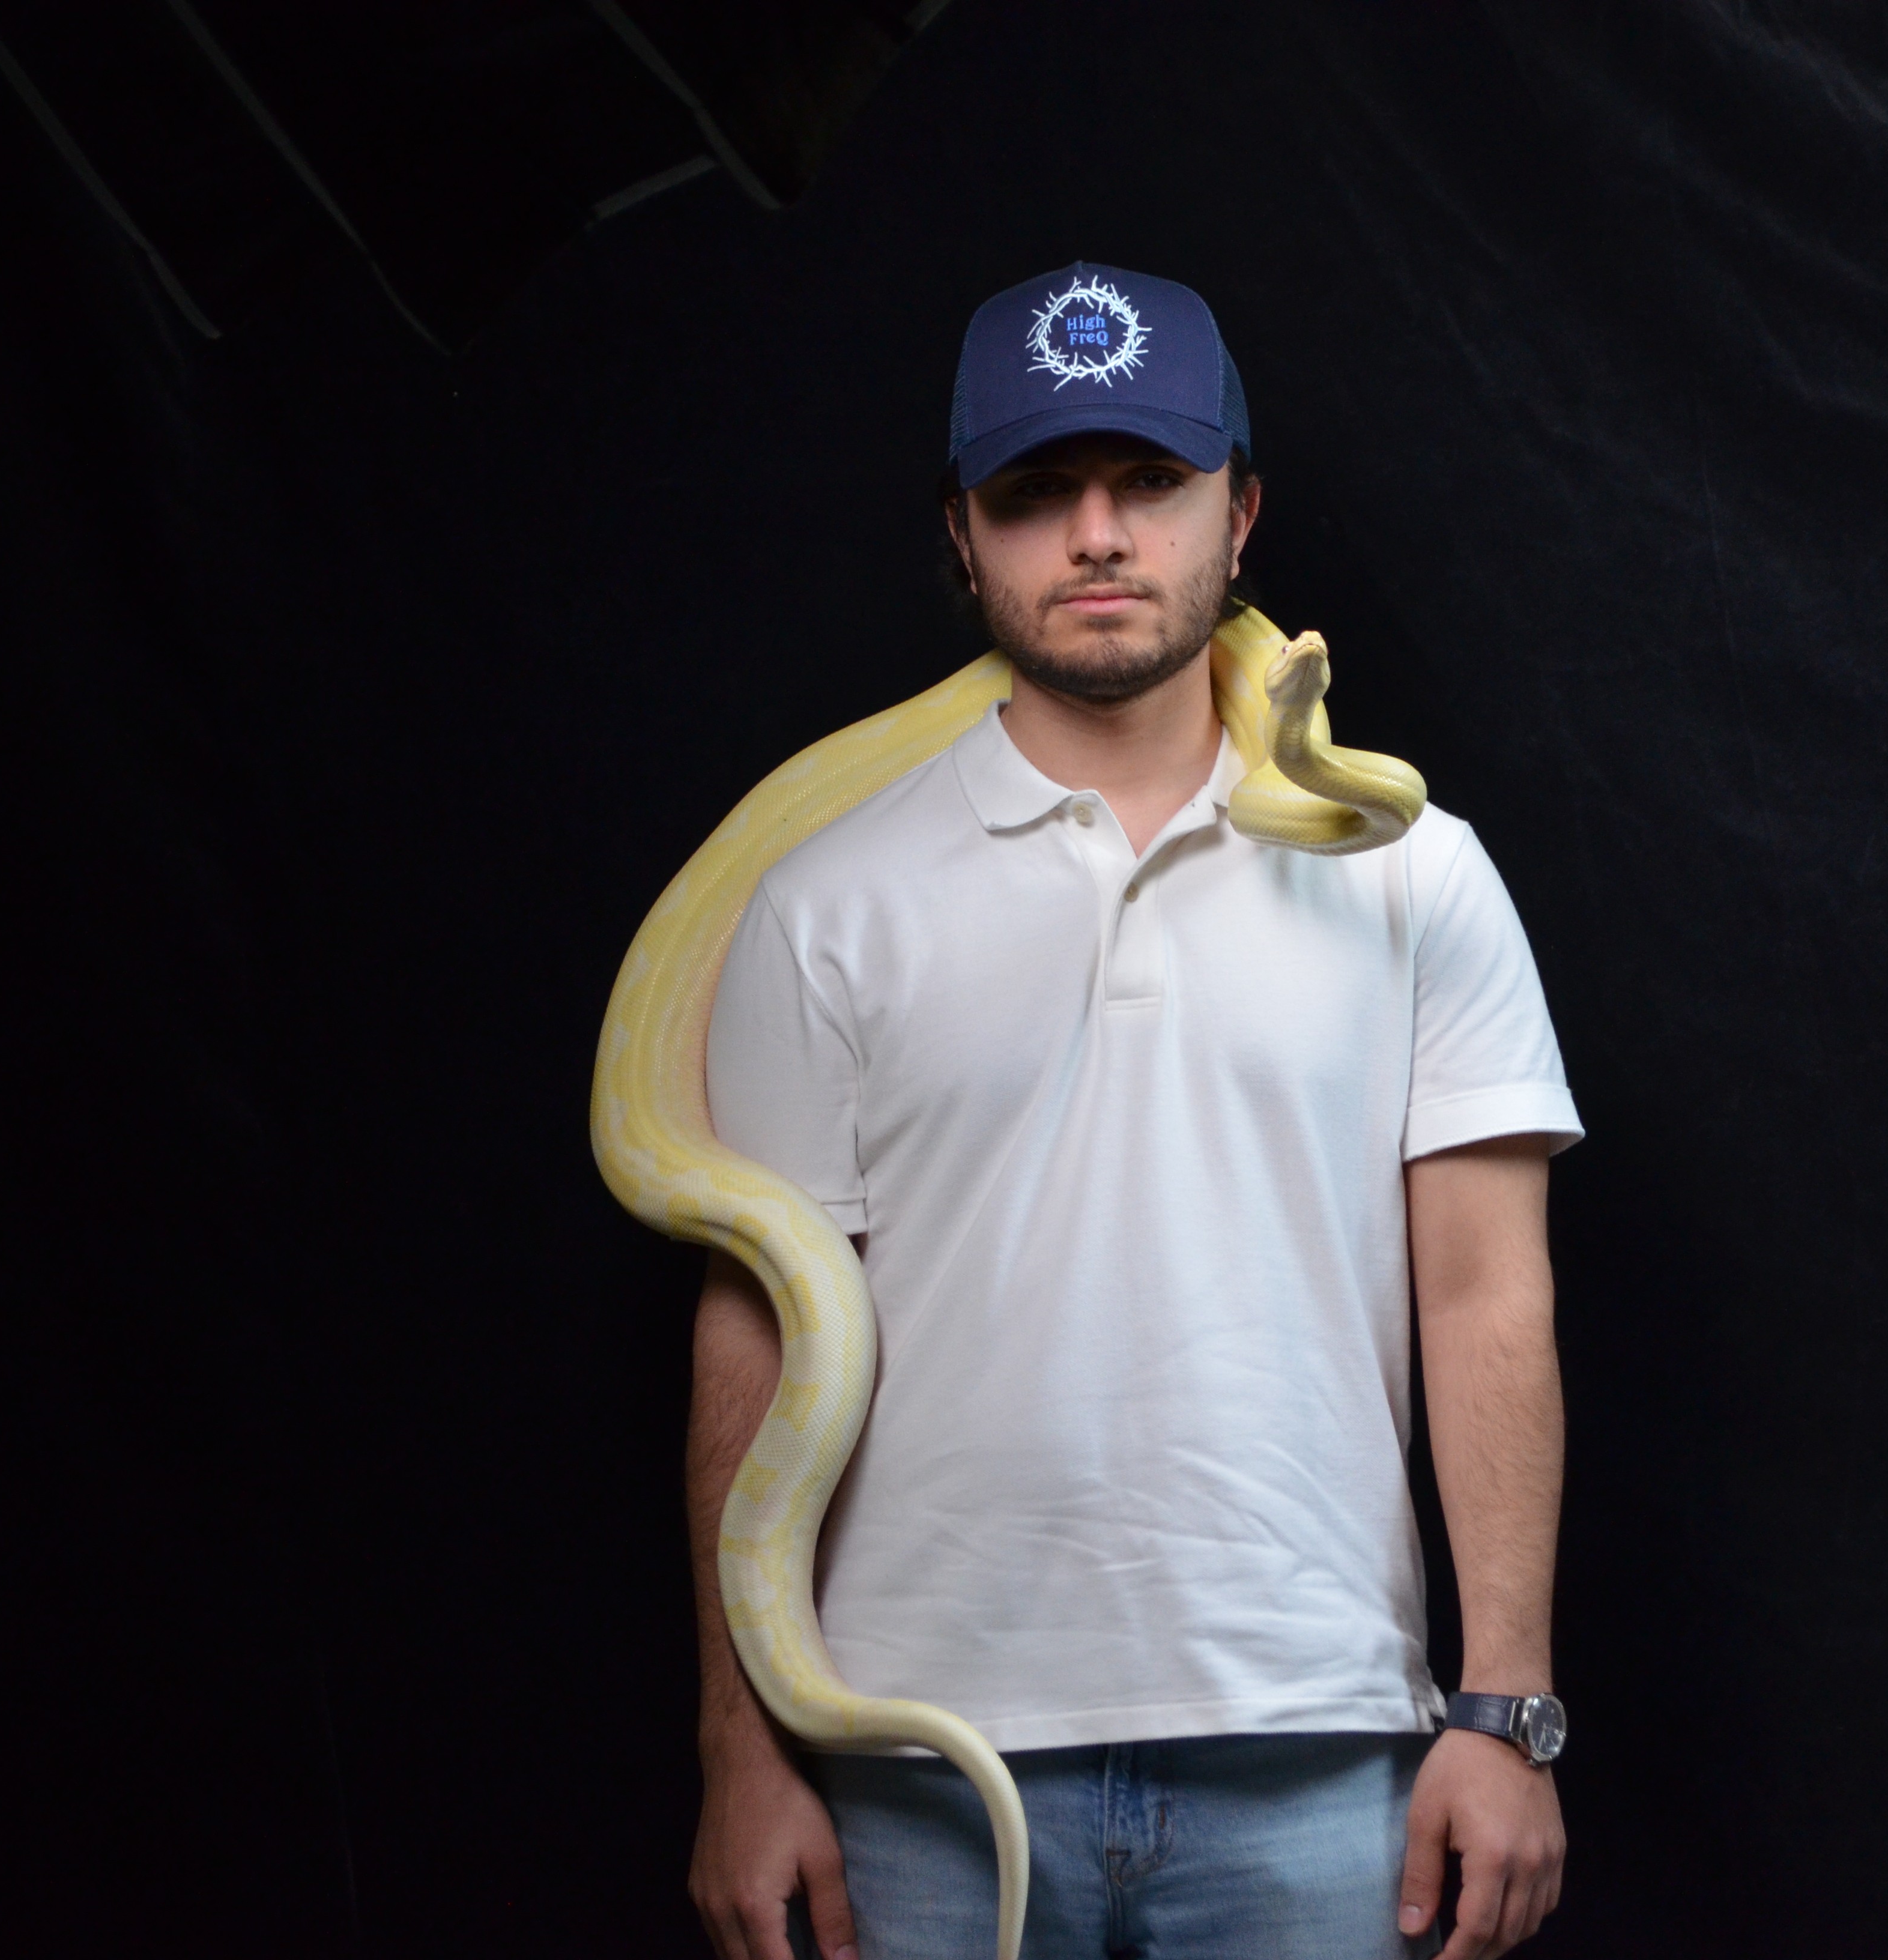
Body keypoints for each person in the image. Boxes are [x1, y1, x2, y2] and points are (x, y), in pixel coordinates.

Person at [685, 263, 1581, 1960]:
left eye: (1150, 480)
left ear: (1238, 518)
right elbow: (754, 1331)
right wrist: (742, 1752)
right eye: (1036, 493)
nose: (1098, 535)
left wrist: (1507, 1708)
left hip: (1319, 1749)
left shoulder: (1414, 871)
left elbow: (1486, 1295)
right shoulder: (818, 905)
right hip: (905, 1763)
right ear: (963, 537)